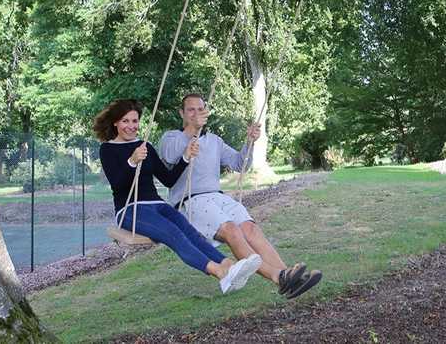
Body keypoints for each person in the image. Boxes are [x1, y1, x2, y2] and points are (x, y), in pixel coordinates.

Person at [159, 94, 321, 299]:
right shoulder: (171, 138)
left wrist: (250, 142)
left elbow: (238, 163)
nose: (196, 114)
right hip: (191, 200)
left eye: (200, 109)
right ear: (181, 113)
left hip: (217, 197)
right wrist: (192, 129)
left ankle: (289, 276)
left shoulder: (215, 141)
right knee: (231, 230)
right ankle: (278, 276)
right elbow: (170, 155)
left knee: (250, 228)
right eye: (190, 110)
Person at [94, 99, 261, 294]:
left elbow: (168, 180)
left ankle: (229, 265)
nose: (131, 126)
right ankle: (219, 272)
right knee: (172, 233)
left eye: (134, 121)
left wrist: (184, 157)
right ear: (115, 122)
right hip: (130, 209)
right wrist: (132, 161)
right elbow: (118, 183)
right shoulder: (108, 149)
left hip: (158, 205)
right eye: (125, 121)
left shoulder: (144, 145)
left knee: (190, 232)